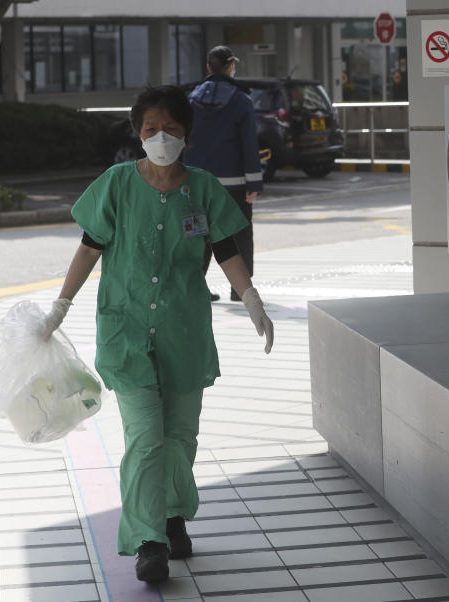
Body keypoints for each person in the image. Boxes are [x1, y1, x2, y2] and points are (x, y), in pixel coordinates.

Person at [39, 85, 275, 584]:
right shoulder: (118, 183)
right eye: (150, 130)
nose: (160, 138)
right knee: (145, 437)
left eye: (169, 128)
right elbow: (88, 247)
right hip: (126, 331)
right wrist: (61, 305)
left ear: (186, 132)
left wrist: (250, 298)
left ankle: (171, 516)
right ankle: (150, 540)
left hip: (184, 330)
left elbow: (228, 246)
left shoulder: (205, 188)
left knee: (179, 435)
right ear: (137, 133)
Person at [184, 45, 263, 302]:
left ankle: (195, 288)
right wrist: (254, 182)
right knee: (238, 234)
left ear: (208, 67)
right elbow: (249, 144)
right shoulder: (241, 101)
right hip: (234, 185)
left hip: (196, 185)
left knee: (197, 236)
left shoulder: (191, 100)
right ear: (231, 67)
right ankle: (240, 290)